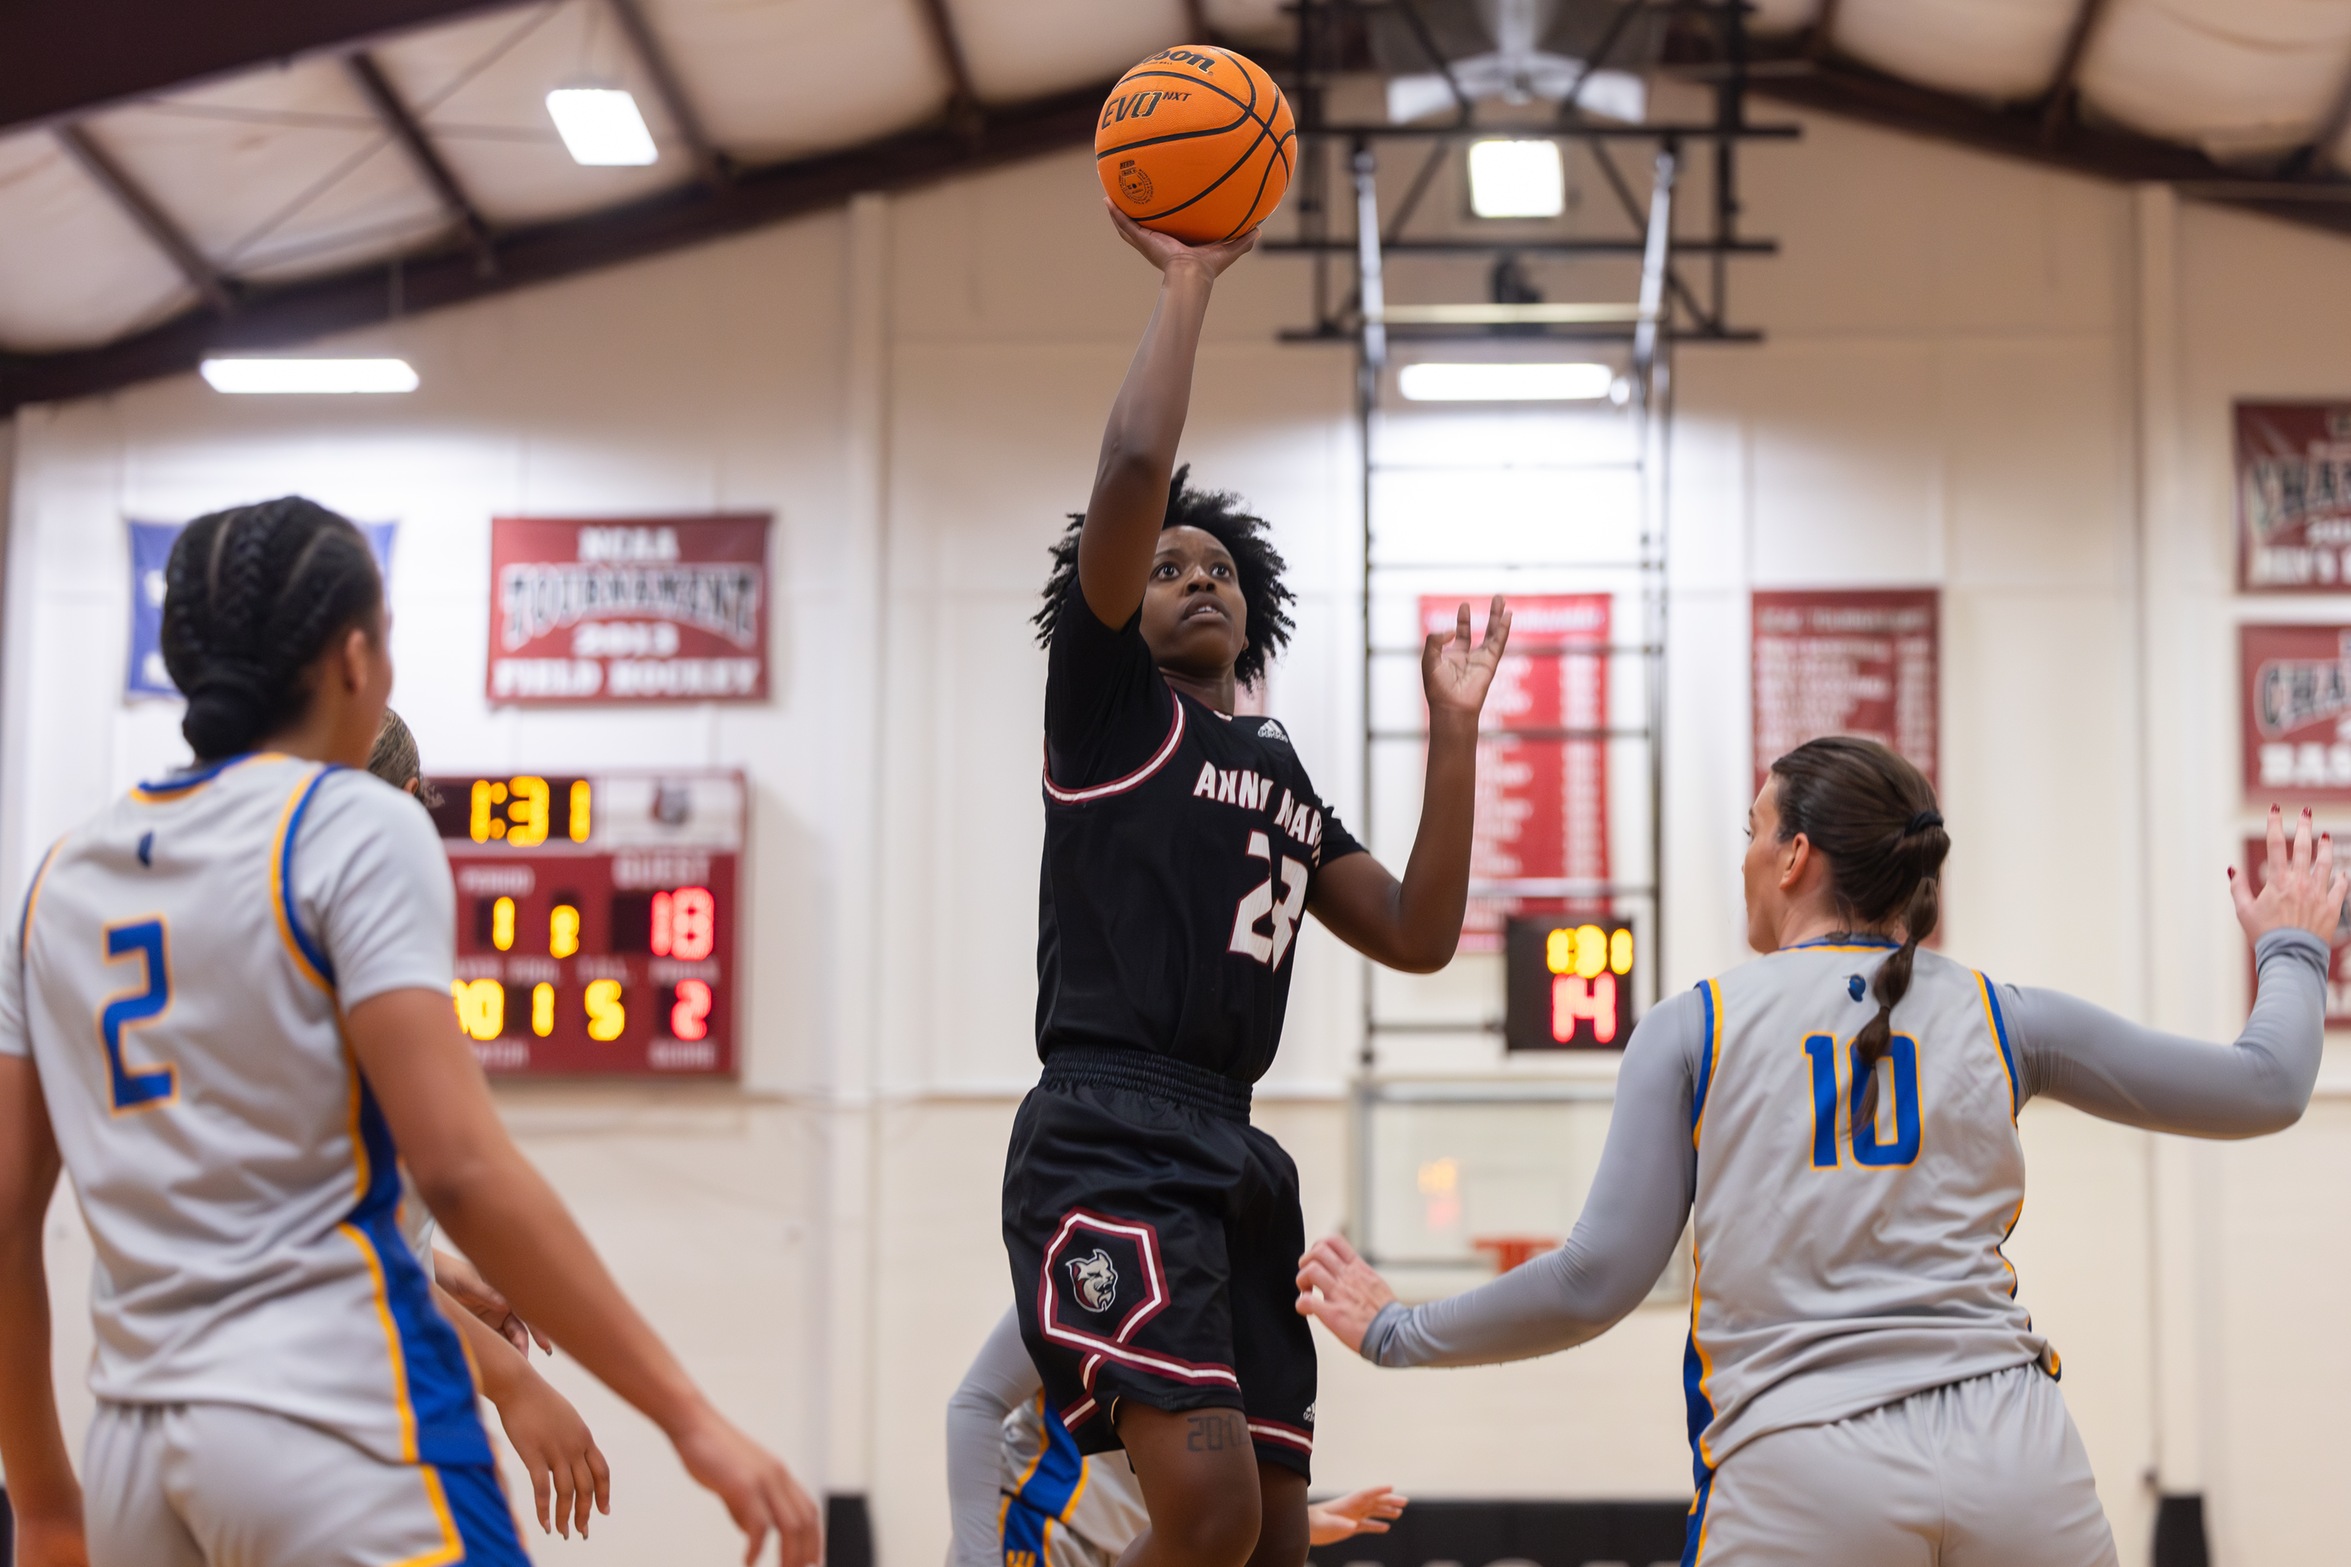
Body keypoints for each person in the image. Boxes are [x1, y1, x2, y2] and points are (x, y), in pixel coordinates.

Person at [0, 497, 820, 1567]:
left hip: (131, 1454)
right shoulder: (354, 822)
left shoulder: (64, 873)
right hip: (331, 1425)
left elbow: (9, 1222)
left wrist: (48, 1498)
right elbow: (465, 1167)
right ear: (353, 657)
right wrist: (689, 1416)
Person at [1296, 736, 2345, 1567]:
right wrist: (2290, 945)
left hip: (1804, 1464)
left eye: (1752, 827)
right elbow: (2265, 1086)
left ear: (1793, 853)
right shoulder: (2000, 1013)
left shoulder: (1693, 1024)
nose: (1744, 852)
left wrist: (1398, 1329)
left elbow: (1590, 1281)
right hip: (2019, 1458)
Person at [1003, 203, 1510, 1567]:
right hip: (1105, 1129)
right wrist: (1185, 284)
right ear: (1116, 603)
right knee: (1210, 1515)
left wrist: (1451, 734)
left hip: (1233, 1145)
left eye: (1216, 566)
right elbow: (1128, 463)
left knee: (1275, 1541)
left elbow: (1413, 932)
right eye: (1164, 565)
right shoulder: (1106, 718)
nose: (1193, 576)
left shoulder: (1275, 767)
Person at [367, 706, 611, 1543]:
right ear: (402, 804)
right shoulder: (351, 977)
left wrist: (439, 1270)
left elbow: (303, 1227)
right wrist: (512, 1379)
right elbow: (339, 1266)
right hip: (328, 1422)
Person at [945, 1308, 1406, 1567]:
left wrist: (1294, 1521)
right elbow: (974, 1404)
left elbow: (1178, 1476)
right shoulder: (1085, 1271)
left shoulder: (1228, 1312)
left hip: (1127, 1550)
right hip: (1042, 1531)